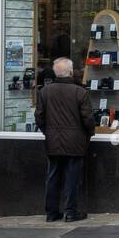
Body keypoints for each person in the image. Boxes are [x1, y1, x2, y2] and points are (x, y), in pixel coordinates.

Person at [34, 57, 94, 222]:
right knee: (72, 178)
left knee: (52, 176)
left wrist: (48, 131)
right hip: (75, 141)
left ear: (55, 73)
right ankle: (70, 212)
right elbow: (88, 118)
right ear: (71, 72)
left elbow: (39, 117)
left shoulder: (44, 92)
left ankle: (51, 213)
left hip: (53, 140)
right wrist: (89, 133)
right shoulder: (80, 92)